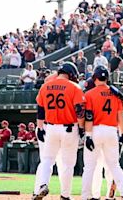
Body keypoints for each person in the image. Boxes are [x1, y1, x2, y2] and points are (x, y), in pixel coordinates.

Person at [33, 62, 84, 200]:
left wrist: (40, 127)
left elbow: (40, 110)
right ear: (71, 74)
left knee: (47, 160)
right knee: (67, 164)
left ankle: (42, 184)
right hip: (69, 128)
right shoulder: (74, 87)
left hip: (50, 128)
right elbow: (79, 111)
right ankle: (65, 195)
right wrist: (81, 128)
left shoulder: (45, 86)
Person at [81, 65, 123, 200]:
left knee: (90, 167)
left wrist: (89, 135)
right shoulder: (115, 94)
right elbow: (121, 117)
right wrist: (122, 134)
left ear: (95, 78)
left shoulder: (89, 94)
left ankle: (86, 196)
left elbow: (89, 117)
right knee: (114, 165)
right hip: (111, 130)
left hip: (95, 130)